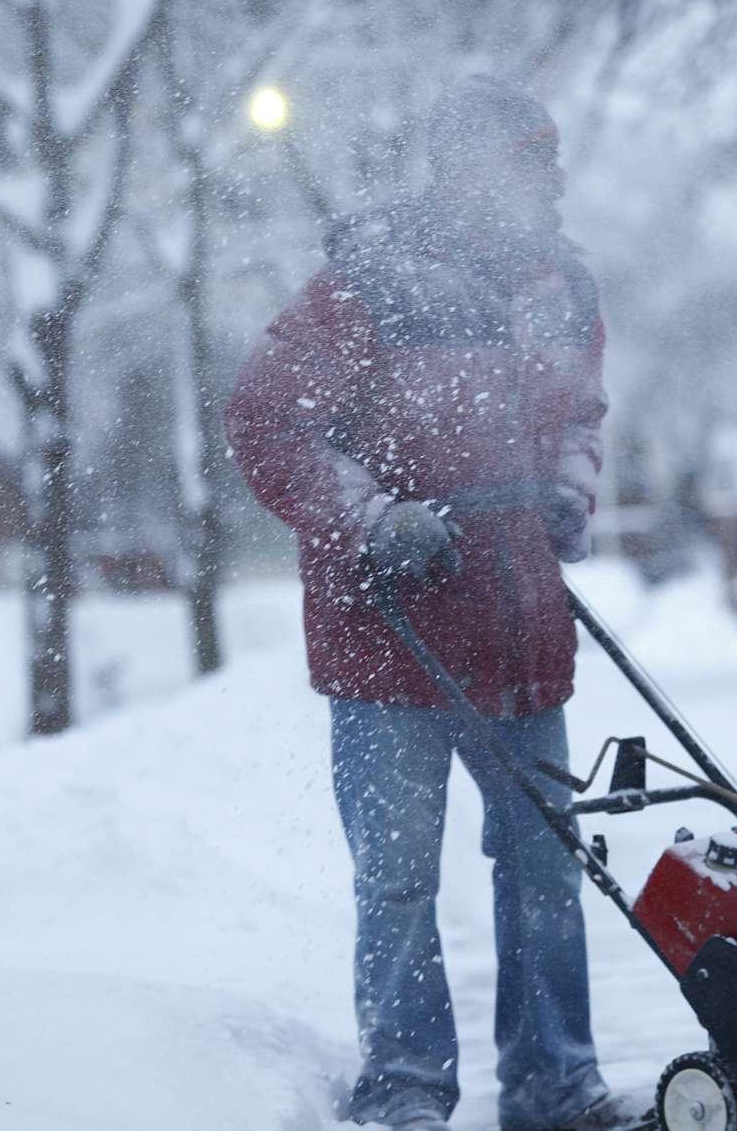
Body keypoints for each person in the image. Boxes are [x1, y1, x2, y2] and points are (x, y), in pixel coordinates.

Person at [225, 78, 639, 1131]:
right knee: (400, 881)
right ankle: (406, 1087)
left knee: (545, 866)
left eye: (550, 158)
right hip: (389, 630)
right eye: (529, 159)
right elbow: (265, 420)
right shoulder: (366, 284)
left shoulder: (562, 288)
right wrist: (371, 519)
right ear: (466, 170)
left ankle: (555, 1085)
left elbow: (581, 414)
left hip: (519, 626)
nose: (550, 179)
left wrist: (569, 490)